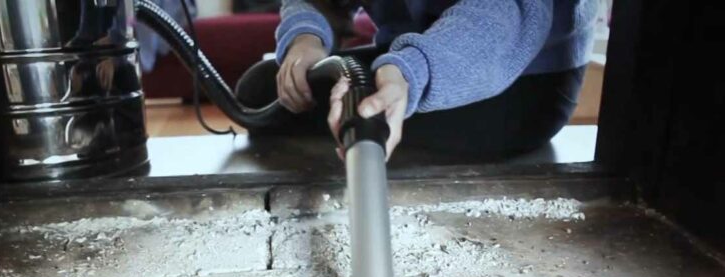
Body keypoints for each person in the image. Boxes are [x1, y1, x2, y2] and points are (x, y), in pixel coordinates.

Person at [236, 0, 598, 160]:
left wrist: (410, 72)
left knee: (358, 115)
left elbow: (502, 15)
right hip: (405, 57)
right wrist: (306, 38)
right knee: (261, 92)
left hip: (520, 75)